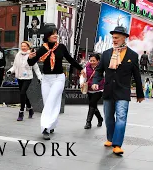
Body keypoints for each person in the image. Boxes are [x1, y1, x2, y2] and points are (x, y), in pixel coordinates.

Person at [92, 26, 144, 155]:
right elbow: (99, 71)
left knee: (121, 117)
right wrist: (95, 82)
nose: (114, 40)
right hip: (108, 91)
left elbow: (137, 76)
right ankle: (110, 138)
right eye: (113, 37)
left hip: (123, 91)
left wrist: (139, 94)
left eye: (116, 38)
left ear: (124, 38)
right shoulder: (106, 54)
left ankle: (117, 144)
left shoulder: (132, 55)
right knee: (109, 117)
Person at [27, 23, 83, 140]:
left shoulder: (61, 47)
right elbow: (31, 64)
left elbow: (70, 60)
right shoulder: (42, 48)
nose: (56, 36)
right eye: (53, 34)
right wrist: (30, 58)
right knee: (49, 102)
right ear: (47, 36)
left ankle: (45, 128)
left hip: (59, 78)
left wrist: (82, 69)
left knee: (51, 101)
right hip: (46, 79)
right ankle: (52, 124)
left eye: (56, 34)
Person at [7, 41, 43, 121]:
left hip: (28, 77)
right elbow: (15, 66)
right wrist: (10, 71)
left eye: (25, 46)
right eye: (22, 46)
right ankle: (30, 109)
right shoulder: (18, 55)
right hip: (19, 77)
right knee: (23, 94)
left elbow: (36, 67)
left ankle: (21, 112)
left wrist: (40, 77)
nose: (23, 48)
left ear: (28, 47)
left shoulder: (31, 55)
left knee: (22, 92)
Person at [80, 53, 104, 129]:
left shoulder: (102, 68)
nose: (92, 62)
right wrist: (81, 83)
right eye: (91, 60)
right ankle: (100, 118)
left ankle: (88, 122)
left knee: (92, 104)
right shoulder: (86, 68)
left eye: (94, 60)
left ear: (98, 61)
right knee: (93, 105)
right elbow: (82, 76)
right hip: (89, 89)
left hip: (99, 89)